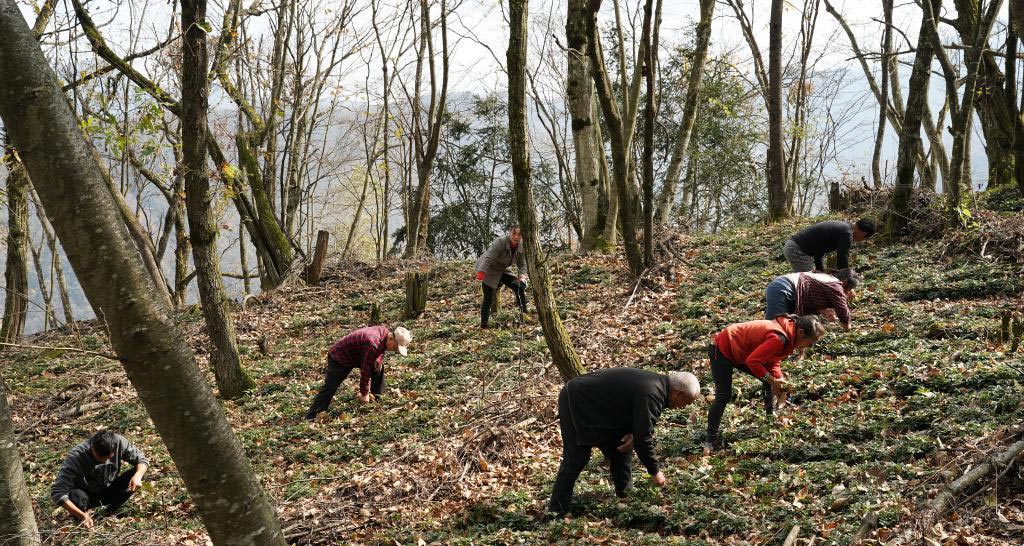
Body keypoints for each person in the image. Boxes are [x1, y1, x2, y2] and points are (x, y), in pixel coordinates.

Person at [546, 367, 701, 517]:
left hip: (602, 411)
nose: (683, 407)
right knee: (576, 458)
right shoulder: (653, 393)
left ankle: (626, 499)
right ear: (678, 394)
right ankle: (556, 510)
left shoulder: (657, 387)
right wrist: (655, 471)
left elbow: (639, 426)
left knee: (621, 447)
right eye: (686, 402)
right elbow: (643, 438)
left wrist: (633, 435)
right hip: (577, 400)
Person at [704, 315, 825, 453]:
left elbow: (773, 360)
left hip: (741, 351)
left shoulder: (788, 335)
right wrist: (773, 381)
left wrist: (779, 381)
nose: (810, 347)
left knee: (768, 377)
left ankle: (770, 416)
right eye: (811, 343)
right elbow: (753, 362)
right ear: (801, 332)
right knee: (724, 395)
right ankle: (710, 440)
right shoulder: (779, 338)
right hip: (722, 349)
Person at [305, 325, 412, 420]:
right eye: (395, 347)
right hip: (340, 357)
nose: (394, 350)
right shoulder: (373, 344)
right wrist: (364, 393)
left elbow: (374, 358)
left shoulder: (384, 332)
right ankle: (313, 415)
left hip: (357, 354)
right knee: (330, 386)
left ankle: (378, 397)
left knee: (378, 366)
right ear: (391, 338)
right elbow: (365, 371)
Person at [51, 430, 150, 529]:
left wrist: (138, 475)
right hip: (86, 496)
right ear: (92, 447)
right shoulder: (76, 457)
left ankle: (110, 511)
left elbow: (142, 460)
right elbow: (57, 492)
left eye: (109, 457)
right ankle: (83, 520)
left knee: (138, 472)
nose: (106, 461)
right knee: (76, 495)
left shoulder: (118, 442)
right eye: (101, 458)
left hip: (110, 488)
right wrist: (82, 516)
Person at [765, 269, 861, 331]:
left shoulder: (826, 278)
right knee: (774, 325)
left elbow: (808, 298)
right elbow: (842, 308)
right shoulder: (835, 285)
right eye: (848, 289)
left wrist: (822, 310)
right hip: (783, 288)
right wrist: (847, 328)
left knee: (785, 324)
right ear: (844, 282)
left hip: (783, 287)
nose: (847, 293)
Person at [475, 226, 528, 328]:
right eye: (514, 233)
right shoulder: (499, 242)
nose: (516, 236)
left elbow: (522, 264)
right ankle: (484, 325)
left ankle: (524, 315)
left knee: (519, 287)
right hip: (488, 269)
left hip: (502, 269)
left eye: (519, 234)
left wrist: (522, 277)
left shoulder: (522, 245)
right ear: (510, 232)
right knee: (488, 298)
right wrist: (480, 276)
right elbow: (488, 259)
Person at [783, 218, 875, 272]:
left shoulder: (844, 228)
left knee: (809, 280)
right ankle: (799, 303)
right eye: (863, 239)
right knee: (809, 282)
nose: (859, 241)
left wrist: (820, 270)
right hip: (797, 250)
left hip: (793, 247)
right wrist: (846, 277)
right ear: (863, 233)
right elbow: (842, 256)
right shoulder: (847, 233)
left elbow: (819, 250)